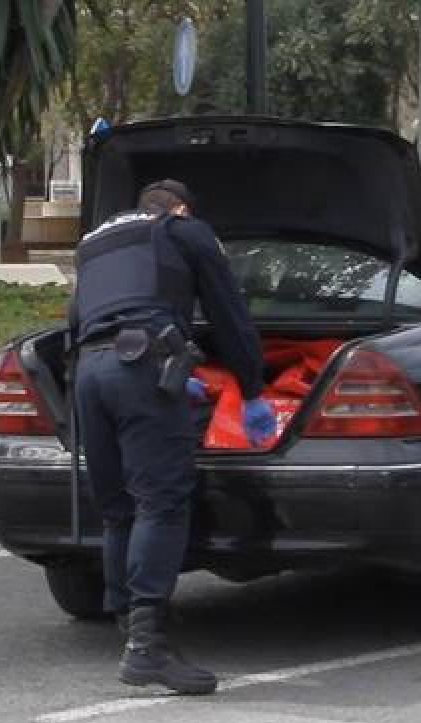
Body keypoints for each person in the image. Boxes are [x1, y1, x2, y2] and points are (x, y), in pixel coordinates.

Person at [70, 179, 276, 694]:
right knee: (161, 502)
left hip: (89, 374)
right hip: (142, 371)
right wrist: (251, 387)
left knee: (118, 506)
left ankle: (126, 622)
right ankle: (147, 648)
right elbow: (228, 313)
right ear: (181, 208)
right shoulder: (185, 231)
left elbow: (76, 320)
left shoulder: (96, 242)